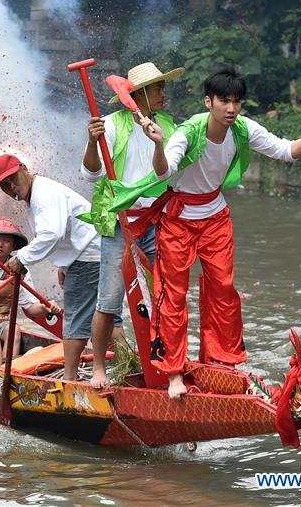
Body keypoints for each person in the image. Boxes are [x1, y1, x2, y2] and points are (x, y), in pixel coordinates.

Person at [132, 66, 301, 400]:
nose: (231, 108)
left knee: (224, 291)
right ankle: (174, 373)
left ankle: (222, 362)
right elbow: (165, 170)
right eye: (224, 101)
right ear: (208, 102)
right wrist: (159, 145)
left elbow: (286, 151)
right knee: (171, 295)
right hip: (178, 219)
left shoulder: (243, 129)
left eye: (237, 101)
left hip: (215, 216)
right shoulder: (188, 132)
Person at [80, 62, 179, 388]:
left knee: (164, 297)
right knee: (108, 301)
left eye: (163, 87)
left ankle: (168, 366)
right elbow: (91, 174)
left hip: (156, 221)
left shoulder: (165, 123)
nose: (164, 94)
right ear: (139, 95)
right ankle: (98, 369)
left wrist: (159, 142)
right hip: (121, 224)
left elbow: (170, 172)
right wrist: (93, 142)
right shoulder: (109, 124)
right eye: (158, 89)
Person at [0, 154, 101, 381]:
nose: (10, 187)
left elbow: (52, 233)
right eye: (4, 185)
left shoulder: (43, 194)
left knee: (74, 320)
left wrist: (21, 258)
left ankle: (69, 381)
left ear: (24, 168)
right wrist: (64, 264)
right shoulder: (36, 196)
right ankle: (127, 365)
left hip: (88, 256)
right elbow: (62, 231)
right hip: (88, 254)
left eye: (12, 178)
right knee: (104, 316)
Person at [0, 217, 62, 357]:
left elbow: (30, 307)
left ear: (13, 247)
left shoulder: (19, 268)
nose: (0, 244)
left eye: (6, 241)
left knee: (13, 330)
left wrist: (45, 307)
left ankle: (7, 369)